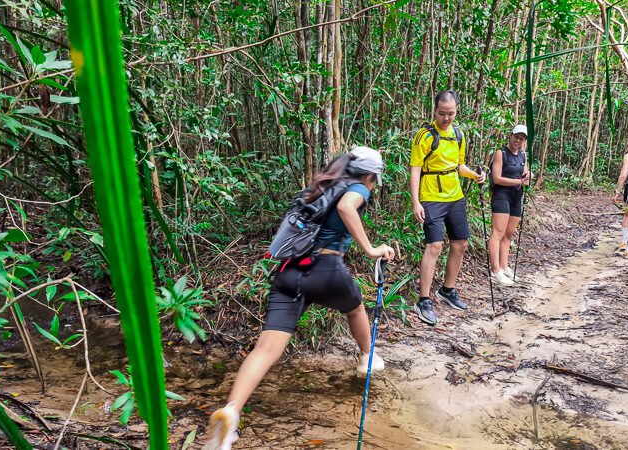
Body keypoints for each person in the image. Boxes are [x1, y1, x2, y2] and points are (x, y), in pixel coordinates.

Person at [203, 147, 396, 450]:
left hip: (290, 272)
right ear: (370, 175)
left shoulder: (322, 186)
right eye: (374, 181)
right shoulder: (357, 187)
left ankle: (231, 412)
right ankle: (366, 358)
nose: (372, 186)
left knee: (265, 349)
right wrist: (372, 250)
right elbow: (347, 208)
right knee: (355, 307)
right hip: (326, 268)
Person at [409, 90, 486, 325]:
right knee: (434, 246)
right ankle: (423, 299)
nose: (446, 118)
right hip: (431, 197)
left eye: (450, 114)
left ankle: (447, 289)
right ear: (435, 111)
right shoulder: (424, 136)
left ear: (456, 112)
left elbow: (458, 165)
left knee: (460, 243)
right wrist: (415, 201)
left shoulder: (459, 135)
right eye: (442, 113)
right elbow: (415, 168)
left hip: (455, 196)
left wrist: (473, 175)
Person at [488, 125, 531, 286]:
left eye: (521, 138)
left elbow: (524, 174)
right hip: (501, 195)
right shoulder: (501, 153)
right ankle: (495, 270)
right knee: (497, 233)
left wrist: (527, 177)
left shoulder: (522, 155)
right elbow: (497, 178)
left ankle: (504, 267)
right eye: (516, 137)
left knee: (508, 234)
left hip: (516, 196)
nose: (518, 141)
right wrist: (519, 181)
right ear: (510, 135)